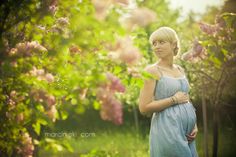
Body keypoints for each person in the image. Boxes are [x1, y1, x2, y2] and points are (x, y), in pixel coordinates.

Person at [139, 27, 198, 157]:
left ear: (174, 44)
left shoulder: (180, 70)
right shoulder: (152, 71)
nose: (156, 47)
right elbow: (144, 107)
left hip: (188, 132)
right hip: (167, 129)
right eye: (154, 43)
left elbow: (186, 98)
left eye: (161, 42)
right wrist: (173, 100)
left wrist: (194, 125)